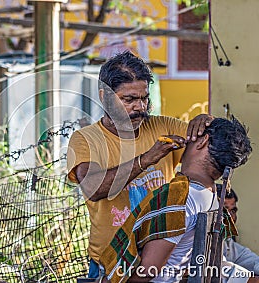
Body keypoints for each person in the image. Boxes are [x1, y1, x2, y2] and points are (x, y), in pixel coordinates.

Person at [66, 50, 213, 278]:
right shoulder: (86, 139)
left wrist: (207, 122)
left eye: (144, 98)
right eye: (129, 99)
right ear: (104, 96)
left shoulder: (163, 126)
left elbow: (208, 145)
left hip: (159, 259)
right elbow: (93, 189)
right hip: (110, 262)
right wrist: (147, 158)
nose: (140, 107)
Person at [100, 117, 253, 282]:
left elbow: (147, 271)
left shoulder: (182, 197)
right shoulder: (210, 195)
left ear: (203, 141)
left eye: (193, 136)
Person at [217, 185, 259, 276]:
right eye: (225, 210)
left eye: (233, 211)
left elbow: (248, 259)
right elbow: (218, 269)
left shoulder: (227, 242)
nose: (231, 217)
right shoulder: (198, 239)